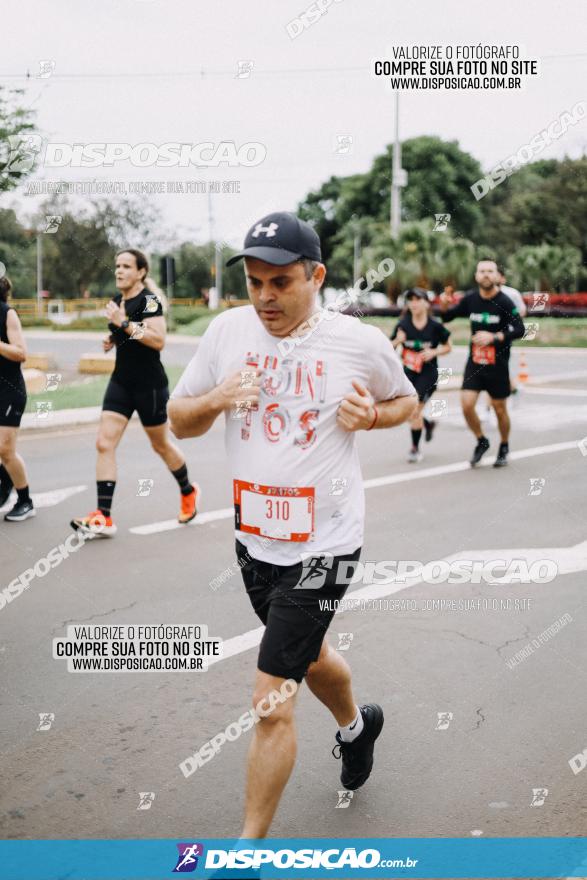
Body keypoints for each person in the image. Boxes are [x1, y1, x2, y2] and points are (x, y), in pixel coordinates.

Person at [168, 211, 417, 839]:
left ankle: (247, 849)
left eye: (280, 282)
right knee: (308, 660)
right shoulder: (227, 333)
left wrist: (374, 417)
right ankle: (358, 729)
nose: (264, 297)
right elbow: (179, 419)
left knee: (269, 701)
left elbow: (406, 400)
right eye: (253, 282)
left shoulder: (355, 342)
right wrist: (219, 398)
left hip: (327, 545)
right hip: (254, 540)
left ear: (317, 276)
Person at [70, 249, 198, 537]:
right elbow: (124, 335)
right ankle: (103, 516)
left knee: (161, 445)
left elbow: (157, 340)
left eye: (126, 266)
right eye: (117, 265)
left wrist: (123, 324)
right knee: (104, 443)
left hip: (149, 386)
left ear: (141, 272)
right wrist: (112, 338)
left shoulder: (149, 301)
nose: (119, 271)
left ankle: (188, 491)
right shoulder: (117, 301)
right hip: (121, 383)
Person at [439, 258, 525, 468]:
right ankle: (481, 440)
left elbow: (520, 329)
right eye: (482, 271)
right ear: (476, 276)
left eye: (490, 271)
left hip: (498, 365)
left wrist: (494, 337)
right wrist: (444, 304)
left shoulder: (505, 301)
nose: (486, 274)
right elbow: (447, 317)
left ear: (497, 276)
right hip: (475, 363)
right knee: (467, 406)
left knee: (499, 409)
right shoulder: (471, 299)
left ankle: (504, 445)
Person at [391, 288, 452, 462]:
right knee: (409, 412)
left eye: (418, 299)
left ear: (426, 303)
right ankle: (428, 424)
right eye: (410, 300)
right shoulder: (403, 324)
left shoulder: (435, 326)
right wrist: (398, 341)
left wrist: (434, 352)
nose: (414, 303)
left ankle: (415, 449)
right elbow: (388, 347)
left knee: (414, 411)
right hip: (408, 374)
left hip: (428, 374)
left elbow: (449, 346)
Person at [0, 276, 35, 521]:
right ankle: (5, 481)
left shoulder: (7, 313)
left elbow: (21, 353)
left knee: (5, 449)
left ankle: (25, 501)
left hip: (10, 391)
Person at [497, 265, 527, 395]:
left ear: (503, 278)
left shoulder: (511, 293)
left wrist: (510, 317)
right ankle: (512, 386)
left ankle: (507, 387)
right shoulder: (483, 294)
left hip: (506, 333)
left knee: (500, 362)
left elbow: (522, 311)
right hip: (488, 334)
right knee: (496, 364)